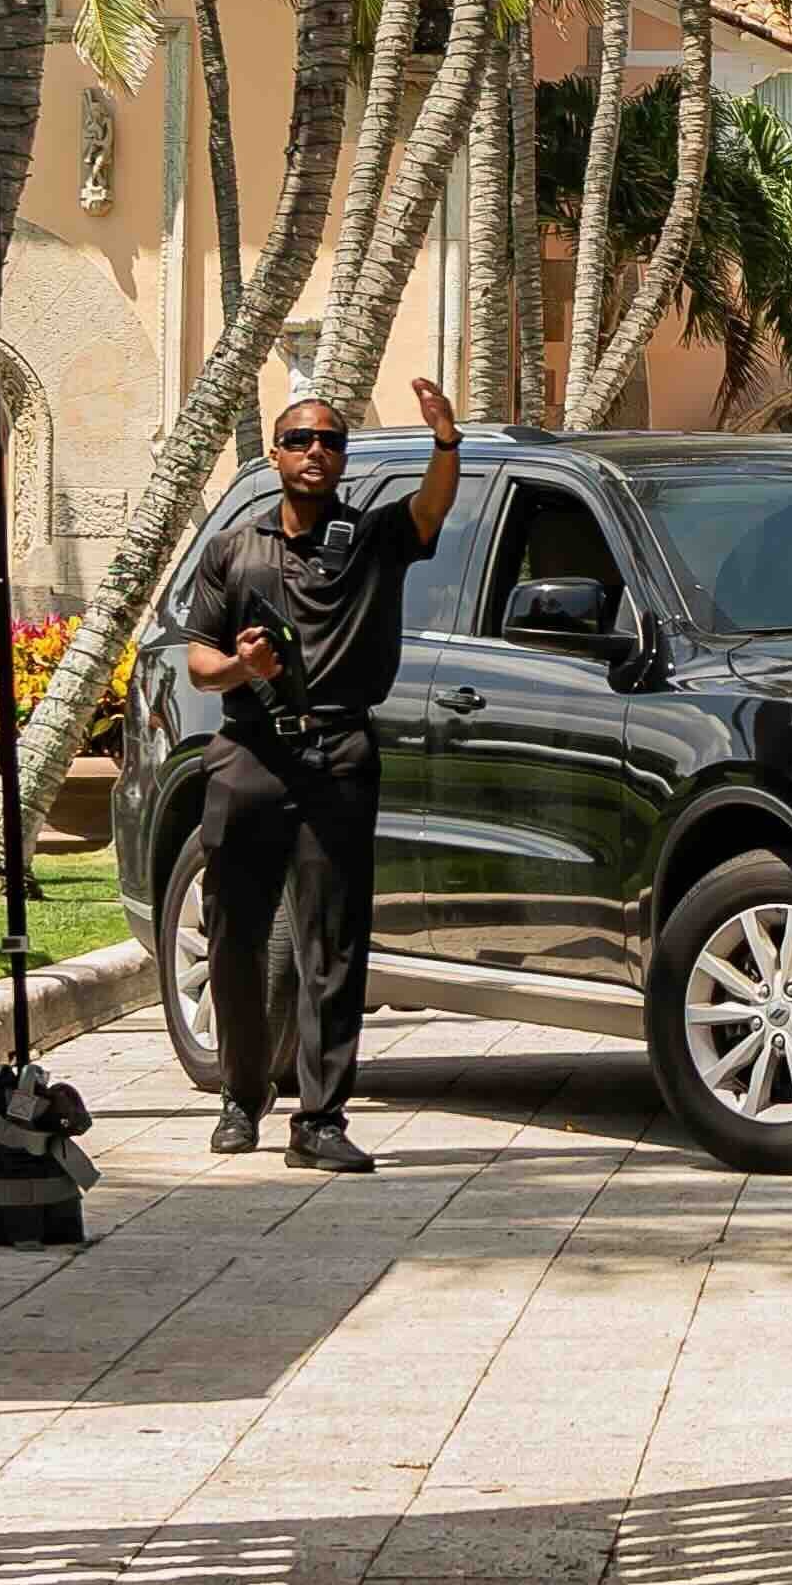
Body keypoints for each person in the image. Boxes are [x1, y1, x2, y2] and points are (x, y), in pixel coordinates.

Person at [170, 377, 466, 1167]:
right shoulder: (234, 549)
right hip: (249, 754)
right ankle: (241, 1095)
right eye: (300, 439)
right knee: (232, 935)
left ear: (343, 458)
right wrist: (241, 664)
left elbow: (432, 509)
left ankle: (322, 1117)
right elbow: (199, 662)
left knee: (333, 939)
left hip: (338, 754)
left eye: (331, 441)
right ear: (274, 453)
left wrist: (445, 441)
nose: (316, 452)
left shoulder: (370, 539)